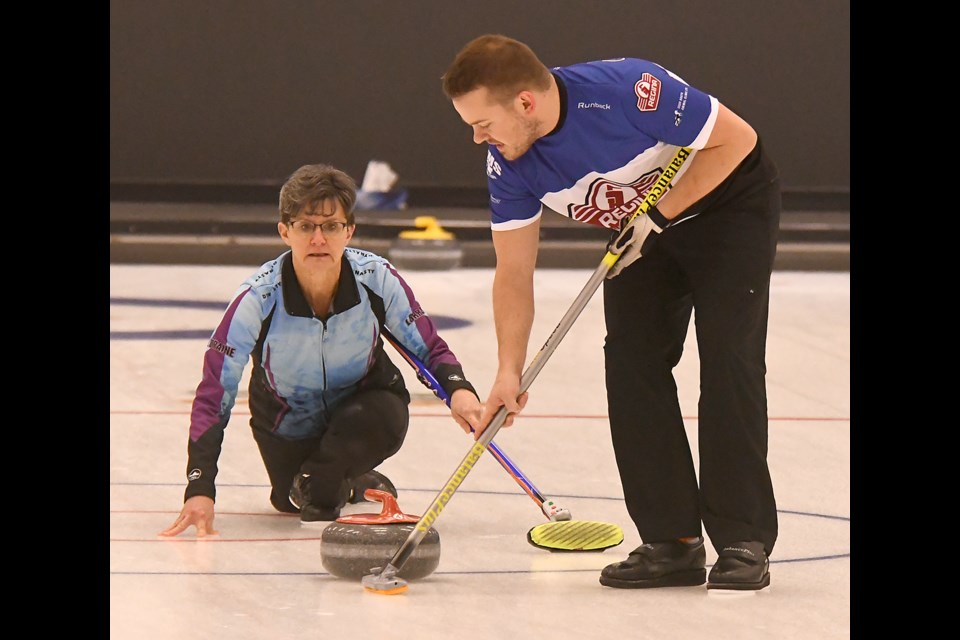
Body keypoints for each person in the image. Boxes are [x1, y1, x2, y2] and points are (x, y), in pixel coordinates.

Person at [442, 35, 780, 591]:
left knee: (728, 357)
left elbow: (737, 140)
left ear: (525, 103)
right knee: (630, 362)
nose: (478, 137)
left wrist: (658, 215)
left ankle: (743, 538)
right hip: (641, 230)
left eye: (483, 123)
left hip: (726, 205)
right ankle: (673, 541)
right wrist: (507, 371)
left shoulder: (628, 91)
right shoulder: (509, 163)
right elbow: (514, 273)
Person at [160, 163, 483, 536]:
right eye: (305, 226)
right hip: (285, 423)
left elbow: (428, 345)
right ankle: (353, 479)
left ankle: (337, 472)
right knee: (292, 498)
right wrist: (200, 489)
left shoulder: (377, 278)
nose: (318, 239)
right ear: (285, 231)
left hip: (365, 409)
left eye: (331, 226)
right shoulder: (257, 298)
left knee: (325, 487)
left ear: (349, 231)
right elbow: (215, 392)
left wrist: (459, 388)